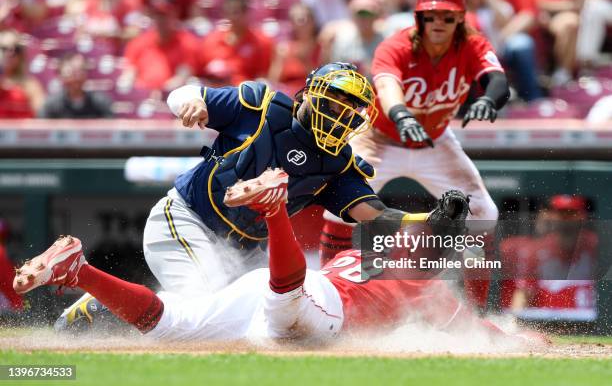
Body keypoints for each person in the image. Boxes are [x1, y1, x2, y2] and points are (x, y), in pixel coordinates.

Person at [54, 62, 467, 331]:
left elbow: (374, 215)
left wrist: (431, 218)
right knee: (200, 318)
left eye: (350, 110)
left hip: (244, 249)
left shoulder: (338, 163)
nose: (340, 114)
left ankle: (112, 301)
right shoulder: (262, 107)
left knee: (249, 322)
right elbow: (184, 94)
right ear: (308, 95)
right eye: (334, 102)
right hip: (186, 220)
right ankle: (102, 301)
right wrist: (190, 105)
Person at [15, 169, 544, 345]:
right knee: (290, 302)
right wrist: (524, 338)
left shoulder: (373, 252)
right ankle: (273, 208)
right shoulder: (433, 292)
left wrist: (437, 218)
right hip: (306, 302)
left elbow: (347, 231)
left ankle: (77, 272)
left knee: (167, 324)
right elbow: (484, 334)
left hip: (275, 295)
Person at [319, 0, 510, 310]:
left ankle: (477, 314)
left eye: (448, 17)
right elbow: (387, 84)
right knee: (338, 208)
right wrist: (401, 114)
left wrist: (491, 100)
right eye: (431, 16)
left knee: (484, 214)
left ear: (460, 19)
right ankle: (324, 299)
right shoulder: (396, 45)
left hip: (433, 141)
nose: (439, 23)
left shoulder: (473, 45)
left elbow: (497, 80)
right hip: (379, 138)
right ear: (418, 18)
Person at [119, 0, 200, 92]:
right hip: (142, 98)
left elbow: (182, 76)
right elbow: (129, 73)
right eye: (157, 15)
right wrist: (129, 85)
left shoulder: (187, 43)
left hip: (171, 98)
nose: (161, 20)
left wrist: (159, 92)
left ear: (175, 14)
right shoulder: (139, 42)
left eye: (165, 14)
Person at [198, 0, 273, 86]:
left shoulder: (262, 42)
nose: (232, 17)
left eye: (236, 12)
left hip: (246, 94)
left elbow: (264, 76)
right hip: (216, 92)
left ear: (246, 13)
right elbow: (202, 73)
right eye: (228, 13)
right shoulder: (212, 40)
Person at [39, 52, 113, 119]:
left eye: (81, 71)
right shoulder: (52, 105)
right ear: (61, 76)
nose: (76, 78)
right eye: (71, 73)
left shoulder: (100, 102)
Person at [0, 30, 45, 118]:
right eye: (4, 48)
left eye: (16, 49)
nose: (10, 53)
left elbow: (41, 116)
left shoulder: (31, 85)